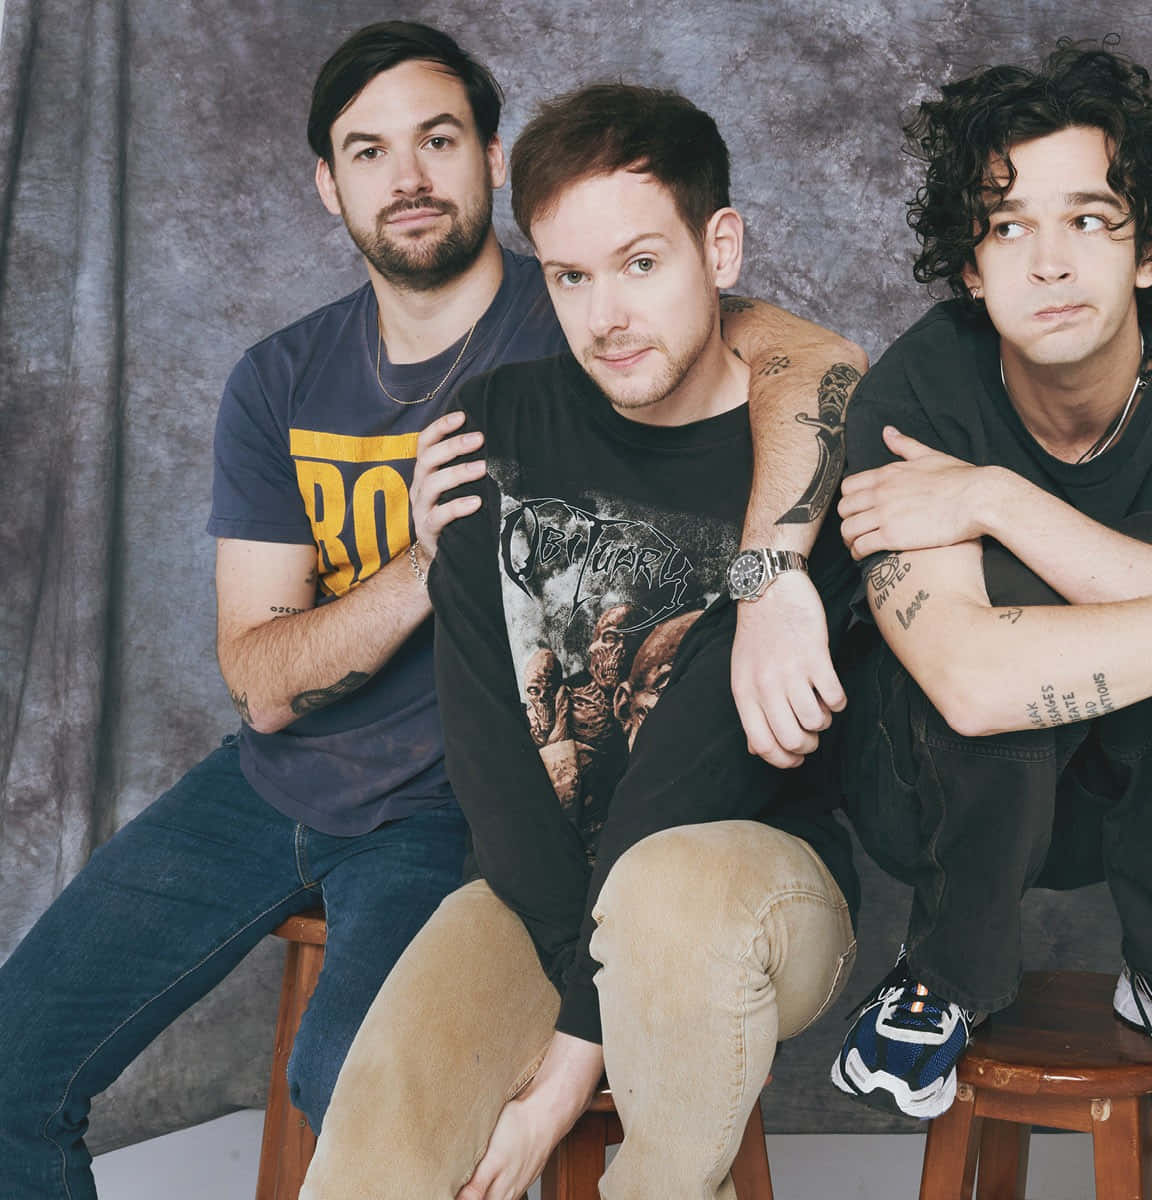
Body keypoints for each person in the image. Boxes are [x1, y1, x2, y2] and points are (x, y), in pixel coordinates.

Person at [0, 22, 856, 1200]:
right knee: (12, 1061)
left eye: (437, 139)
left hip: (458, 809)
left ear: (493, 162)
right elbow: (258, 674)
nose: (405, 178)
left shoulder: (592, 333)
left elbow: (805, 360)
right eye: (367, 151)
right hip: (293, 781)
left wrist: (771, 576)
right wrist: (420, 557)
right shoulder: (303, 379)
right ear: (327, 183)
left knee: (360, 1072)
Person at [301, 82, 863, 1200]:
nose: (607, 313)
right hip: (538, 882)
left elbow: (705, 771)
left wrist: (570, 1057)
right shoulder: (489, 431)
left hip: (748, 882)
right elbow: (491, 750)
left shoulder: (798, 467)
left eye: (642, 264)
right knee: (377, 1142)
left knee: (667, 893)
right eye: (569, 275)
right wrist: (566, 982)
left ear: (722, 246)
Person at [825, 42, 1152, 1120]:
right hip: (926, 785)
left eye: (1089, 221)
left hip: (1150, 792)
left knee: (1141, 562)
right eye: (1008, 227)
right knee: (1061, 595)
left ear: (1149, 249)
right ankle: (947, 973)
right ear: (971, 268)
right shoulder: (919, 384)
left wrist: (1000, 499)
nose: (1048, 263)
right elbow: (971, 684)